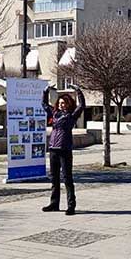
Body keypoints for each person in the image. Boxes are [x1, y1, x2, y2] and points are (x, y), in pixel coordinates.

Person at [41, 84, 85, 216]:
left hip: (65, 149)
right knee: (54, 178)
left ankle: (71, 205)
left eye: (64, 103)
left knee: (67, 178)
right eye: (60, 103)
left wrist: (78, 91)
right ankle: (54, 203)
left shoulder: (72, 115)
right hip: (53, 148)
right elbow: (43, 104)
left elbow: (81, 106)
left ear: (68, 104)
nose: (61, 105)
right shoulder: (54, 114)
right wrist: (46, 90)